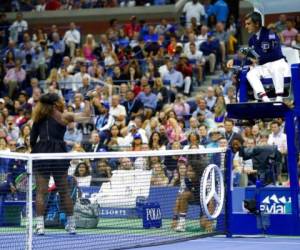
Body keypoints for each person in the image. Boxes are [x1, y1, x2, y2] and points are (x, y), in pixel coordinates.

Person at [30, 93, 91, 235]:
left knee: (41, 191)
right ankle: (71, 225)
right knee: (64, 191)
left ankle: (40, 226)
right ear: (55, 103)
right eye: (58, 100)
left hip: (42, 154)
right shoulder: (64, 116)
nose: (61, 102)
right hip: (58, 153)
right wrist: (87, 99)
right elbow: (86, 116)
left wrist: (36, 149)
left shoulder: (38, 118)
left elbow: (32, 139)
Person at [227, 12, 290, 102]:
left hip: (278, 63)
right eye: (245, 24)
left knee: (276, 67)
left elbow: (277, 54)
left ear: (257, 23)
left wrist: (258, 59)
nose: (246, 26)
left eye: (248, 24)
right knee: (250, 74)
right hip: (263, 66)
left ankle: (279, 98)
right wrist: (234, 61)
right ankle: (265, 99)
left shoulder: (271, 34)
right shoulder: (251, 40)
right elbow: (249, 59)